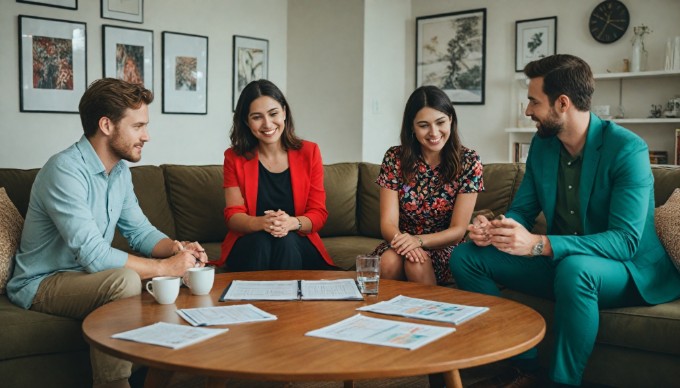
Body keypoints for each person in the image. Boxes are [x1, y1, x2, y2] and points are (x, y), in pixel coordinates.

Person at [450, 54, 680, 387]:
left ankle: (561, 382)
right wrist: (500, 230)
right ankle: (523, 365)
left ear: (562, 103)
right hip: (560, 261)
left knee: (577, 270)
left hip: (627, 270)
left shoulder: (627, 150)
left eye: (533, 101)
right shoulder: (543, 147)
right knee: (467, 257)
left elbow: (624, 241)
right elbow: (522, 211)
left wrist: (540, 244)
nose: (527, 111)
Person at [6, 78, 208, 388]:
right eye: (138, 126)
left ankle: (166, 372)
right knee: (127, 279)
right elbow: (94, 255)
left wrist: (177, 250)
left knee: (168, 280)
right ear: (106, 125)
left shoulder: (120, 172)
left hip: (86, 276)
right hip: (42, 282)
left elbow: (140, 231)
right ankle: (113, 384)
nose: (147, 136)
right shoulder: (64, 170)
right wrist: (162, 268)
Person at [215, 79, 334, 271]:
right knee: (262, 240)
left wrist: (291, 223)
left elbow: (318, 213)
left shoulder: (309, 152)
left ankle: (284, 302)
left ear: (284, 112)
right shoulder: (234, 158)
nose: (267, 124)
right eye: (257, 117)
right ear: (246, 121)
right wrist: (262, 223)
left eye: (273, 114)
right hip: (253, 243)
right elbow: (233, 215)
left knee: (285, 240)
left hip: (296, 242)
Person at [369, 85, 483, 285]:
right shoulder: (394, 157)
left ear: (451, 120)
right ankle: (385, 315)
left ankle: (429, 315)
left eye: (440, 122)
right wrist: (407, 243)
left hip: (443, 245)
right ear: (411, 127)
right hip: (400, 242)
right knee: (388, 261)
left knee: (416, 263)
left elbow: (457, 231)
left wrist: (419, 241)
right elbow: (388, 224)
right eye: (423, 125)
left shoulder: (469, 161)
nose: (434, 132)